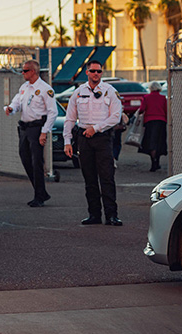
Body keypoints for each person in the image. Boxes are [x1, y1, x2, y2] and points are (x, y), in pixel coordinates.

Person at [63, 60, 123, 226]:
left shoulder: (110, 91)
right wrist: (67, 141)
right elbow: (70, 118)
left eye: (99, 71)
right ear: (87, 72)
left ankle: (111, 215)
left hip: (102, 138)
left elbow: (115, 117)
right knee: (89, 179)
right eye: (93, 71)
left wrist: (95, 128)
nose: (96, 74)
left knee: (107, 177)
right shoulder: (78, 92)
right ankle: (94, 214)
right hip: (83, 138)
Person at [4, 60, 58, 207]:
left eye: (25, 70)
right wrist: (10, 108)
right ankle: (41, 192)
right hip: (25, 128)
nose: (23, 73)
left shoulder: (45, 89)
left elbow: (53, 112)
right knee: (25, 158)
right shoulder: (24, 88)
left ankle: (39, 196)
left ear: (33, 71)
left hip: (37, 128)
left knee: (36, 162)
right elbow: (17, 103)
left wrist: (44, 132)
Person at [137, 81, 168, 172]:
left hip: (149, 122)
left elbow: (142, 109)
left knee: (151, 142)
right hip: (161, 121)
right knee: (159, 142)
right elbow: (166, 110)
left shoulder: (146, 98)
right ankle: (157, 162)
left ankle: (153, 162)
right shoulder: (163, 98)